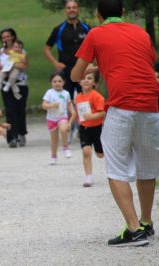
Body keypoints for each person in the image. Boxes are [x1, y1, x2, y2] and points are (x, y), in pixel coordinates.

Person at [71, 0, 159, 247]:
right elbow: (142, 62)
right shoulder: (140, 32)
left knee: (116, 169)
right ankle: (146, 222)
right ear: (123, 12)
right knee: (147, 168)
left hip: (121, 106)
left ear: (98, 15)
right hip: (151, 107)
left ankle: (133, 231)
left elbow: (76, 75)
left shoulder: (96, 34)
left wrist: (95, 63)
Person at [44, 0, 90, 100]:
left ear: (78, 10)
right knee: (65, 101)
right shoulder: (59, 29)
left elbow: (95, 47)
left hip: (83, 70)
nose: (71, 10)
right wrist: (55, 63)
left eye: (74, 7)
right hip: (65, 70)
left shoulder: (86, 28)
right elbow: (47, 49)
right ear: (65, 10)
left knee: (86, 101)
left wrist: (92, 65)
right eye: (69, 8)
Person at [0, 28, 29, 148]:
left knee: (20, 109)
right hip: (6, 84)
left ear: (13, 37)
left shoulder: (20, 50)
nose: (6, 39)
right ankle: (12, 136)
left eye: (8, 36)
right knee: (10, 110)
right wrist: (6, 73)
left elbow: (24, 66)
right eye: (3, 37)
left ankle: (21, 133)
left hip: (20, 83)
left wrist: (12, 65)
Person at [74, 72, 105, 187]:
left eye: (89, 78)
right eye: (83, 78)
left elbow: (102, 112)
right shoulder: (78, 98)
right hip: (84, 128)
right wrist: (70, 122)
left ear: (94, 83)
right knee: (86, 151)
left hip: (97, 129)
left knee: (100, 154)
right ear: (79, 82)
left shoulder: (97, 96)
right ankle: (88, 176)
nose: (86, 80)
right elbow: (76, 113)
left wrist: (92, 116)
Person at [42, 73, 75, 165]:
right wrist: (52, 105)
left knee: (63, 129)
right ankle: (53, 156)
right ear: (51, 83)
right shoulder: (49, 93)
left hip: (62, 117)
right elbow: (44, 105)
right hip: (51, 119)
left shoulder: (66, 93)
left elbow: (69, 105)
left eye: (60, 81)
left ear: (63, 82)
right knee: (54, 140)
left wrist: (73, 113)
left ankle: (65, 147)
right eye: (55, 81)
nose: (57, 83)